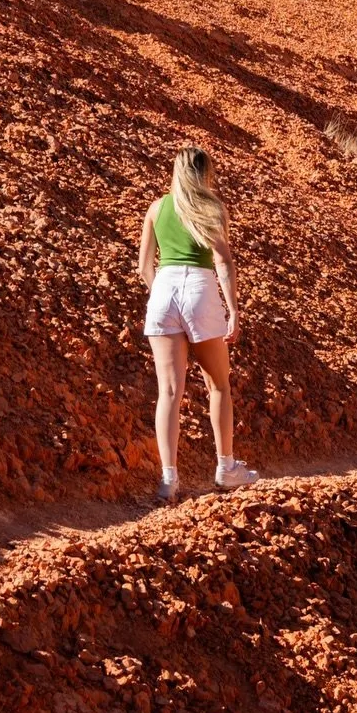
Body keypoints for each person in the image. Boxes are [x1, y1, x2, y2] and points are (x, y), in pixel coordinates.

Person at [138, 146, 258, 505]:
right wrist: (233, 309)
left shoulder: (157, 207)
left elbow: (144, 266)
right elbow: (223, 261)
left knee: (169, 392)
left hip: (163, 289)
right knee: (218, 383)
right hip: (199, 289)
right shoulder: (213, 207)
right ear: (205, 172)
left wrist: (159, 290)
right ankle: (225, 467)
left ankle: (168, 480)